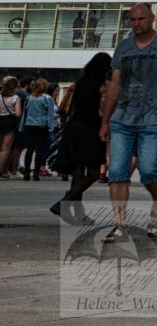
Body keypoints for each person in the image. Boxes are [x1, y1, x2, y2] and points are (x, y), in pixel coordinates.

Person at [98, 2, 157, 241]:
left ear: (152, 18)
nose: (136, 24)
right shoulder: (124, 47)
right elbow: (114, 85)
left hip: (153, 119)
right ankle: (119, 224)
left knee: (148, 171)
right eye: (132, 20)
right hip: (122, 119)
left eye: (140, 19)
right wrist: (105, 120)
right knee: (116, 173)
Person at [50, 52, 111, 222]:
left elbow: (70, 108)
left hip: (75, 126)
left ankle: (78, 212)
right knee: (93, 173)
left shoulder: (79, 83)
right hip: (92, 128)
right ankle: (64, 203)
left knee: (78, 170)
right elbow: (102, 110)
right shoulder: (104, 85)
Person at [19, 78, 58, 180]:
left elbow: (25, 113)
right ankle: (36, 173)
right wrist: (51, 128)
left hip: (29, 125)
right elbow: (50, 114)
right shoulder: (47, 98)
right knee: (39, 150)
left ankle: (27, 172)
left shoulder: (29, 98)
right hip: (42, 125)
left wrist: (22, 126)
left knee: (29, 149)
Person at [0, 75, 20, 179]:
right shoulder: (15, 98)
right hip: (9, 122)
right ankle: (1, 171)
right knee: (5, 148)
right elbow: (17, 113)